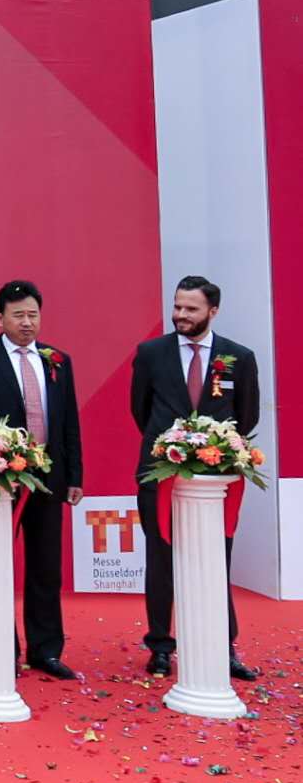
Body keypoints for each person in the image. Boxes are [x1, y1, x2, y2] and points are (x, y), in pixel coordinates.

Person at [0, 279, 84, 680]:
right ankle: (0, 647)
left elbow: (69, 422)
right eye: (18, 315)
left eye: (33, 315)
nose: (27, 322)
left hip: (48, 477)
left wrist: (74, 475)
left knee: (46, 567)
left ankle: (46, 650)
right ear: (0, 318)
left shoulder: (57, 360)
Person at [129, 275, 261, 681]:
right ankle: (160, 646)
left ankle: (223, 646)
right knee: (160, 560)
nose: (181, 315)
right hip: (159, 475)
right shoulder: (151, 353)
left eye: (191, 309)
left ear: (213, 311)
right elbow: (140, 410)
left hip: (216, 481)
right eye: (178, 306)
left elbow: (247, 415)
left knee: (216, 560)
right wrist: (172, 449)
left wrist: (209, 451)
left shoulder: (239, 357)